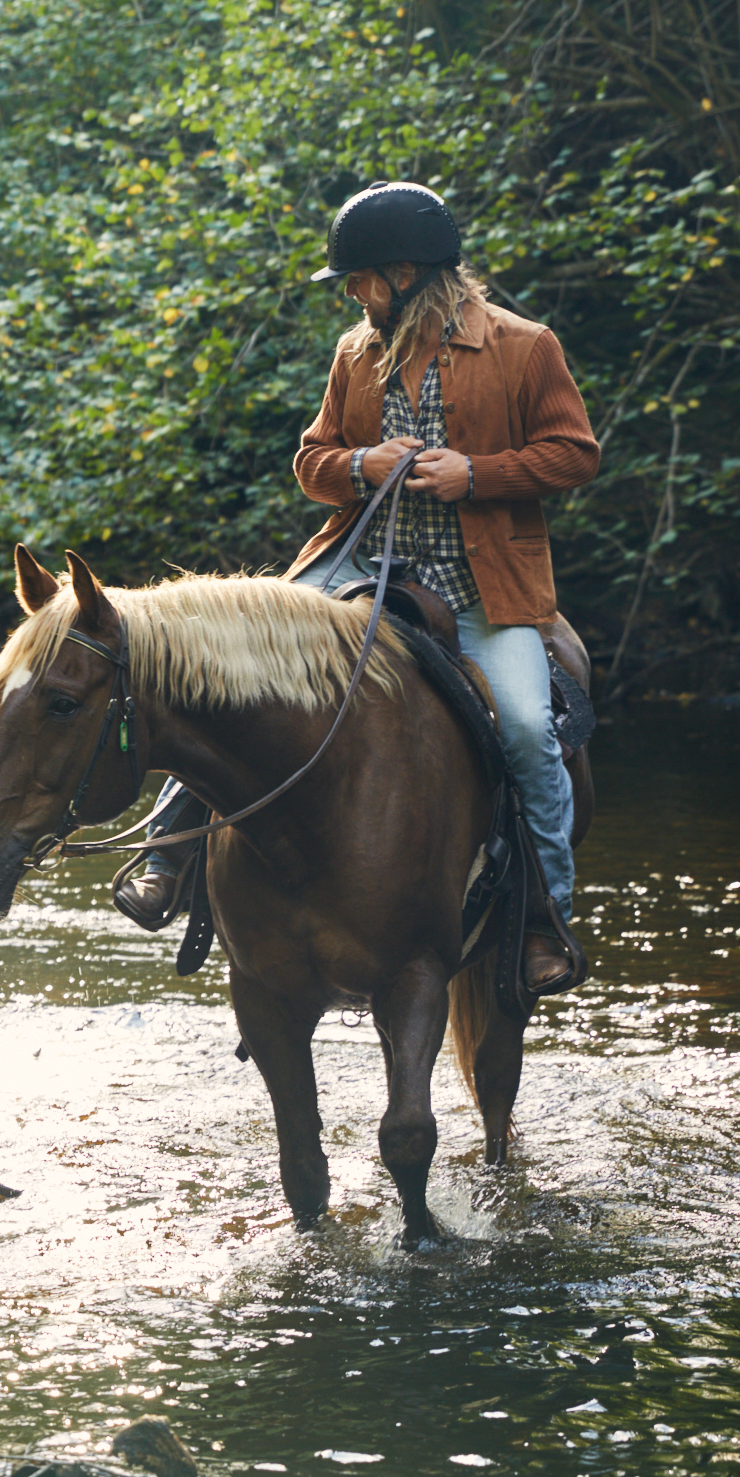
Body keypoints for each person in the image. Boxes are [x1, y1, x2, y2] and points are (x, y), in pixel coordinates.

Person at [114, 182, 600, 981]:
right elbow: (311, 462)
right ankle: (167, 857)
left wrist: (476, 474)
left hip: (487, 589)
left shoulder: (526, 346)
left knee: (522, 727)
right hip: (360, 569)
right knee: (237, 678)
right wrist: (357, 465)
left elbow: (575, 454)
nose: (351, 294)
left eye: (359, 278)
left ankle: (543, 917)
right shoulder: (354, 353)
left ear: (405, 273)